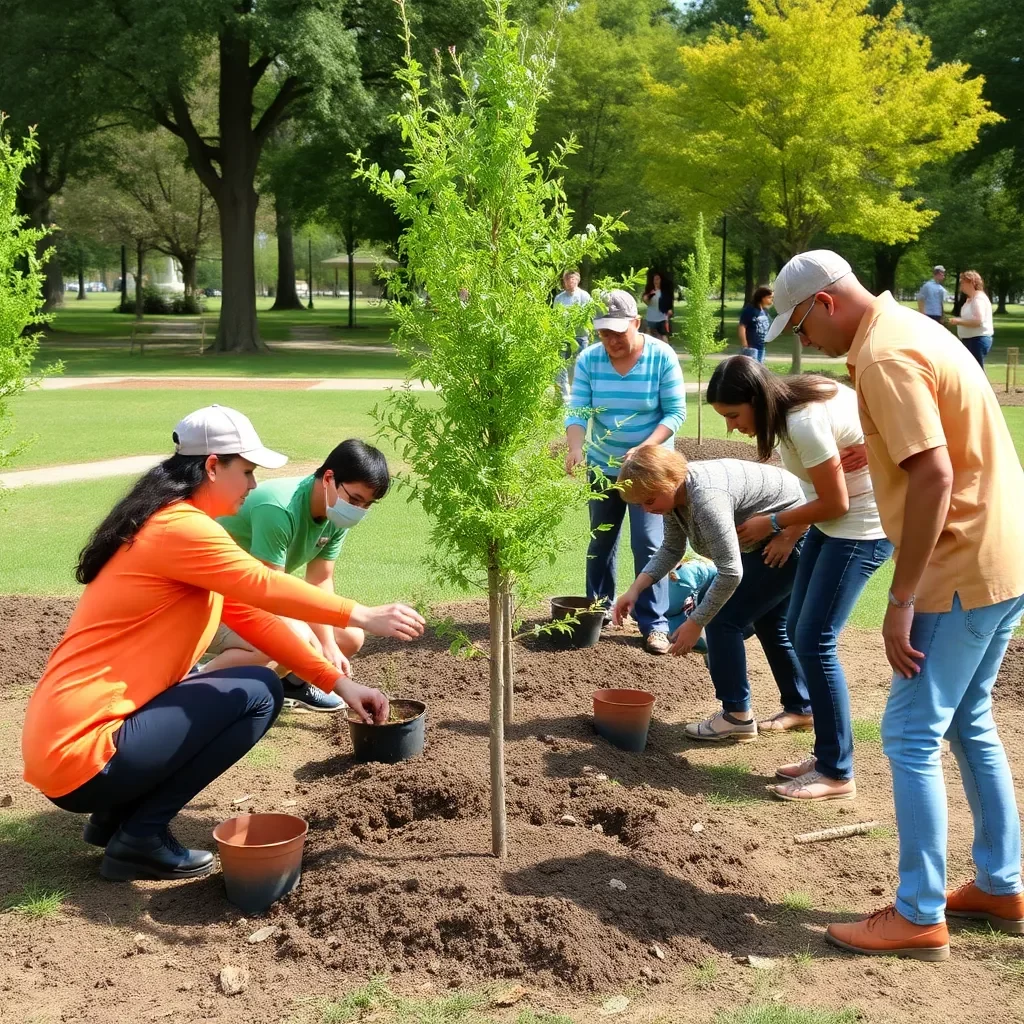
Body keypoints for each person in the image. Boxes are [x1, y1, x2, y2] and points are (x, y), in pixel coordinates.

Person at [21, 406, 425, 882]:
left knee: (248, 681)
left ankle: (115, 819)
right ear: (213, 466)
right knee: (257, 693)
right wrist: (360, 614)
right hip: (81, 752)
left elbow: (255, 620)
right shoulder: (181, 528)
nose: (253, 485)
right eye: (247, 471)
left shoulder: (172, 525)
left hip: (70, 742)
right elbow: (263, 585)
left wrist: (337, 683)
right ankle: (141, 838)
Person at [764, 249, 1024, 960]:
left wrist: (901, 598)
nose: (801, 343)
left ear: (823, 303)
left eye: (800, 326)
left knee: (909, 733)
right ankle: (1002, 885)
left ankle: (918, 912)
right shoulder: (911, 329)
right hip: (1005, 554)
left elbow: (934, 474)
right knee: (968, 719)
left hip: (961, 565)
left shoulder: (883, 355)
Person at [707, 356, 893, 800]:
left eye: (733, 415)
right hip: (833, 527)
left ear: (756, 399)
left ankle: (836, 771)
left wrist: (774, 523)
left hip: (863, 529)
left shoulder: (803, 420)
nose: (732, 428)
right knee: (795, 629)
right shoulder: (798, 404)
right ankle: (825, 748)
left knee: (815, 640)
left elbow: (837, 502)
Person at [612, 445, 813, 741]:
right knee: (770, 624)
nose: (646, 510)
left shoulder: (706, 498)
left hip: (791, 540)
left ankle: (736, 716)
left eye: (649, 501)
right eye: (641, 504)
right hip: (768, 544)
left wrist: (696, 623)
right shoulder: (677, 497)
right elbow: (671, 548)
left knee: (722, 621)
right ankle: (802, 707)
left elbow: (731, 572)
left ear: (668, 482)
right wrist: (635, 589)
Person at [203, 439, 391, 713]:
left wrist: (328, 645)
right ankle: (197, 680)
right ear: (329, 478)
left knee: (349, 638)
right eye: (355, 500)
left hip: (255, 594)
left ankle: (294, 684)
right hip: (212, 599)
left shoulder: (335, 512)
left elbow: (320, 581)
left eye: (367, 505)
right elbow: (270, 592)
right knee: (298, 639)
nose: (358, 511)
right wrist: (317, 654)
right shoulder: (279, 507)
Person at [564, 289, 685, 655]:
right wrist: (575, 446)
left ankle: (654, 624)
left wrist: (646, 447)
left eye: (619, 332)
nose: (612, 340)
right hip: (603, 466)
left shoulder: (661, 356)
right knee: (601, 540)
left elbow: (674, 414)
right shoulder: (589, 360)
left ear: (636, 322)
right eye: (604, 333)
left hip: (650, 471)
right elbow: (579, 411)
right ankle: (598, 612)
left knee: (649, 544)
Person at [553, 269, 592, 402]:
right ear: (564, 282)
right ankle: (565, 395)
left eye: (573, 279)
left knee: (581, 365)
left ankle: (581, 392)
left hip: (581, 336)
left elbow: (589, 315)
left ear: (578, 280)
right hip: (564, 337)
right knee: (561, 365)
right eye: (567, 280)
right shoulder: (559, 298)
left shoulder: (585, 296)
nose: (570, 282)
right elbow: (556, 317)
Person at [947, 269, 994, 369]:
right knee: (970, 371)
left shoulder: (979, 299)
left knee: (976, 371)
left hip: (977, 340)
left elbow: (978, 321)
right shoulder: (971, 299)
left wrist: (958, 321)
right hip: (970, 340)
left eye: (963, 283)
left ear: (971, 282)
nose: (961, 286)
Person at [737, 286, 773, 363]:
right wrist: (745, 344)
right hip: (752, 348)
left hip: (762, 347)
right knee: (752, 371)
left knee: (760, 370)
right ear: (762, 298)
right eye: (769, 297)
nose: (771, 299)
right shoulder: (750, 310)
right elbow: (742, 327)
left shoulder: (764, 311)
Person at [641, 271, 674, 341]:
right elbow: (645, 301)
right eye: (654, 279)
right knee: (648, 336)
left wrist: (669, 311)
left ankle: (666, 350)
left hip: (662, 319)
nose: (656, 281)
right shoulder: (650, 291)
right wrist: (650, 294)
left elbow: (668, 306)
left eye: (658, 279)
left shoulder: (665, 292)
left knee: (663, 336)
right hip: (650, 318)